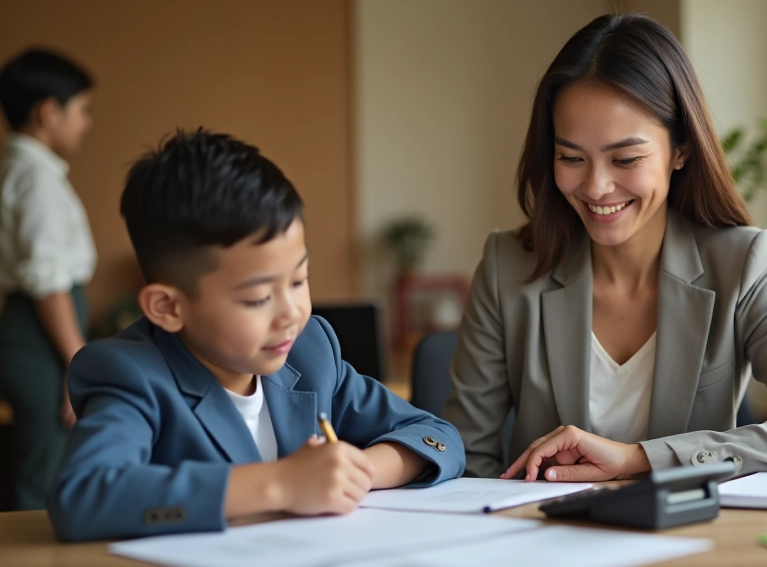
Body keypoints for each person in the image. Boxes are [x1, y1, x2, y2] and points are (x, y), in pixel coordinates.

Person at [443, 13, 767, 482]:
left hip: (689, 543)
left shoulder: (740, 265)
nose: (596, 186)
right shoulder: (506, 267)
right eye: (571, 157)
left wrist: (640, 459)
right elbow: (465, 462)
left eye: (625, 158)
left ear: (681, 150)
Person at [48, 130, 465, 542]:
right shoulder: (129, 373)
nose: (292, 314)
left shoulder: (309, 351)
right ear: (168, 307)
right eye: (257, 298)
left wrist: (354, 471)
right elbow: (84, 497)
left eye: (300, 280)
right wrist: (281, 483)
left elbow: (437, 437)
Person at [0, 48, 96, 510]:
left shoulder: (27, 172)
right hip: (41, 338)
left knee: (48, 464)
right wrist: (75, 361)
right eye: (83, 110)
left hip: (40, 334)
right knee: (43, 473)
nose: (87, 123)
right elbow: (48, 282)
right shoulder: (34, 180)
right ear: (48, 112)